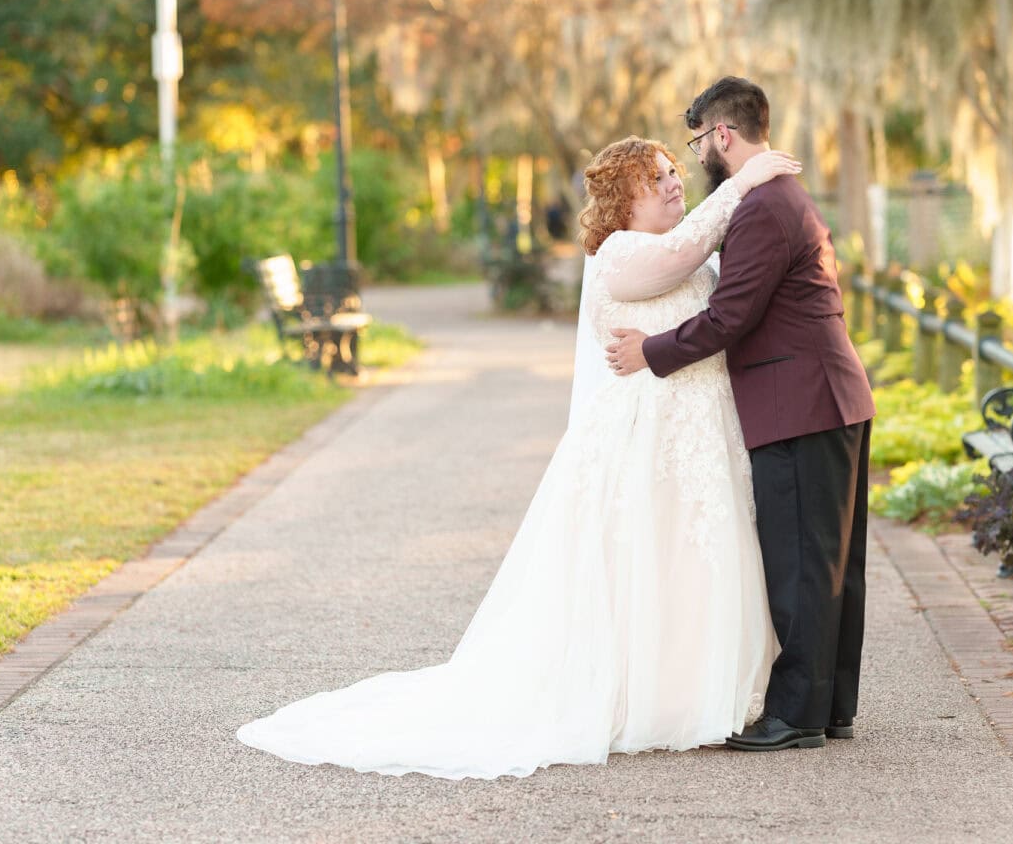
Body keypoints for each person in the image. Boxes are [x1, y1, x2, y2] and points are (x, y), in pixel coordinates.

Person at [237, 136, 800, 779]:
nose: (675, 185)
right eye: (658, 179)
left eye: (676, 173)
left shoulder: (689, 254)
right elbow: (682, 251)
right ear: (623, 199)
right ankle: (644, 699)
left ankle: (703, 691)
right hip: (642, 441)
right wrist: (743, 181)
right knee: (646, 560)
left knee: (700, 556)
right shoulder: (619, 254)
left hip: (699, 434)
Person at [608, 77, 875, 752]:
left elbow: (731, 316)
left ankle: (795, 716)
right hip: (826, 396)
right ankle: (829, 705)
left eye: (697, 140)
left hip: (801, 403)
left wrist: (651, 352)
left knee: (802, 563)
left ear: (721, 135)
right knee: (832, 564)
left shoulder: (761, 207)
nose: (696, 155)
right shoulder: (778, 195)